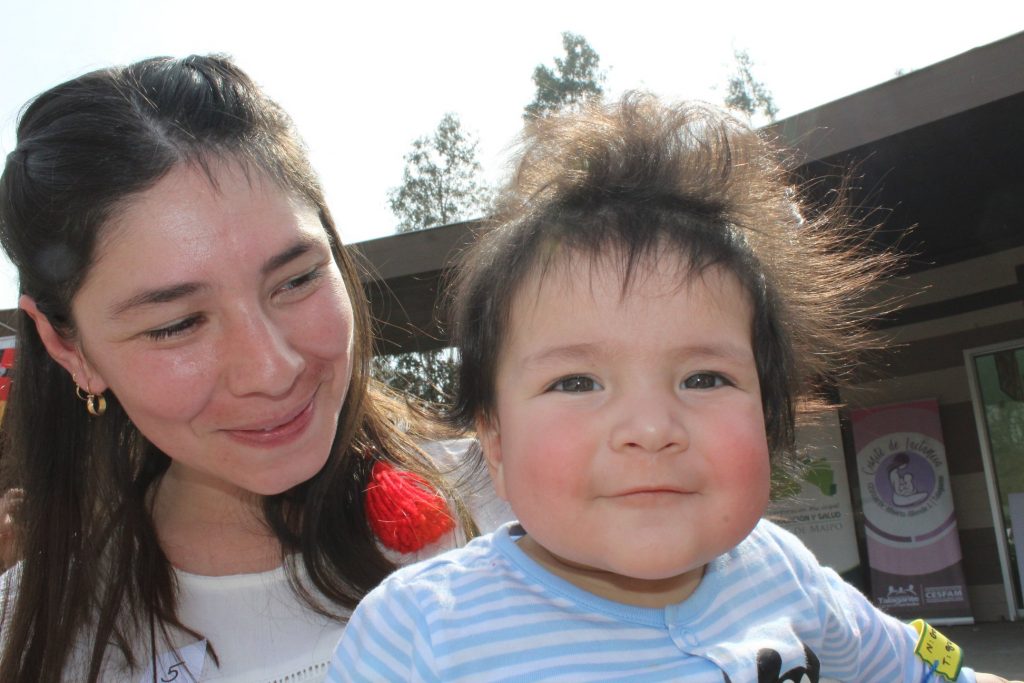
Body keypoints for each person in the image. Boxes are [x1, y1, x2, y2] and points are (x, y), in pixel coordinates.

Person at [329, 94, 1020, 683]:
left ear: (770, 417)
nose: (651, 426)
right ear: (496, 441)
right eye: (577, 381)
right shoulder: (418, 633)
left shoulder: (783, 573)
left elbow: (931, 671)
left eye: (704, 377)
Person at [0, 54, 509, 683]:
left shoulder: (529, 507)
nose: (272, 370)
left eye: (296, 280)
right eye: (176, 325)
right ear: (67, 347)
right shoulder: (35, 639)